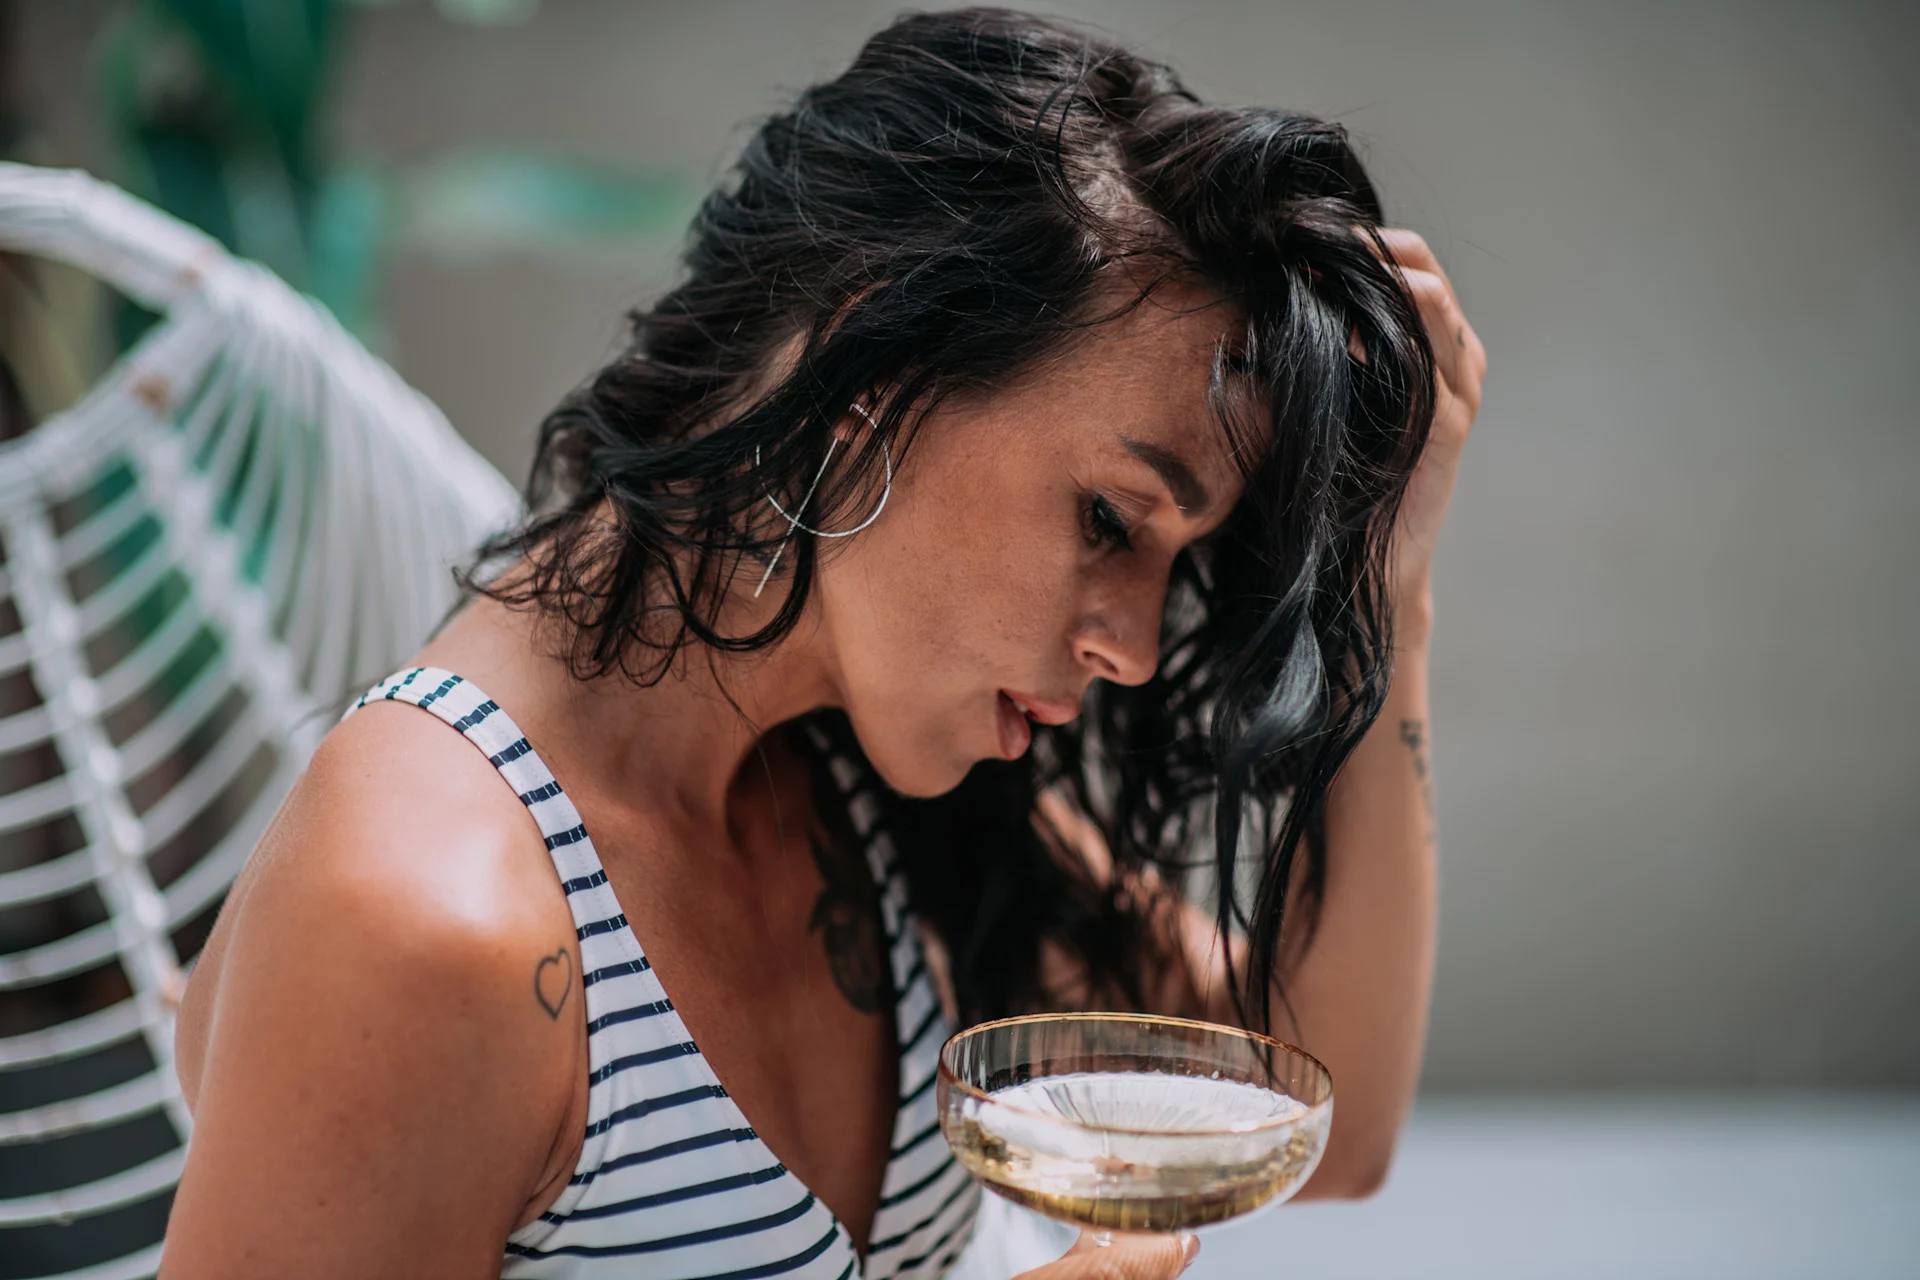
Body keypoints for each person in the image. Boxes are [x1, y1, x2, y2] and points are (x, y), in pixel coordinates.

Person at [163, 8, 1484, 1279]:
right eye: (1106, 518)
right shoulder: (423, 918)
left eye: (1171, 563)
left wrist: (1396, 581)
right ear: (867, 379)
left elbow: (1330, 1116)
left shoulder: (855, 770)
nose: (1135, 648)